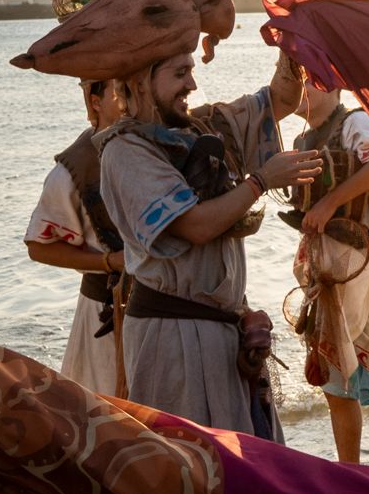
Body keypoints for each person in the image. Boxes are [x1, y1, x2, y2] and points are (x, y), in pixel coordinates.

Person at [98, 46, 320, 439]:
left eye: (191, 70)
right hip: (171, 339)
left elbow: (282, 100)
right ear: (138, 83)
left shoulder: (206, 128)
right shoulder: (125, 151)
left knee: (242, 468)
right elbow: (194, 226)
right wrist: (261, 181)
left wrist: (291, 45)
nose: (192, 84)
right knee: (191, 469)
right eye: (180, 73)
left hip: (223, 333)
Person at [287, 73, 369, 464]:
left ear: (333, 87)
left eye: (310, 81)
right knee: (339, 382)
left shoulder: (354, 123)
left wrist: (329, 204)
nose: (302, 90)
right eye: (297, 82)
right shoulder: (303, 140)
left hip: (358, 266)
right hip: (335, 268)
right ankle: (353, 473)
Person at [23, 78, 128, 394]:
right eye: (119, 89)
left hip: (165, 315)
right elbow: (39, 248)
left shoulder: (161, 146)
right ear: (95, 101)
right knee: (108, 420)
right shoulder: (73, 170)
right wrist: (110, 261)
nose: (131, 94)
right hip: (104, 313)